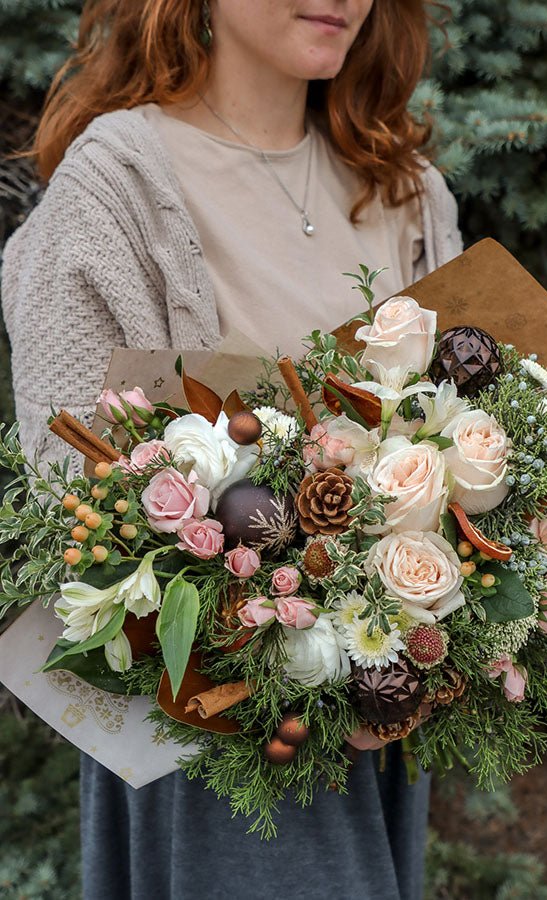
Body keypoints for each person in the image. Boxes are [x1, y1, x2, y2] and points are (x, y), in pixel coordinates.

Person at [1, 1, 462, 898]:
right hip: (204, 732)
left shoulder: (407, 191)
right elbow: (70, 496)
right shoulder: (118, 188)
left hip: (385, 724)